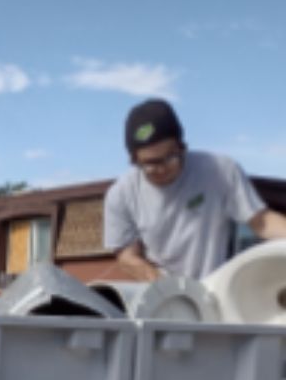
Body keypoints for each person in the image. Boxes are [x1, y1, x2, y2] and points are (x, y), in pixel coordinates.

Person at [103, 98, 286, 280]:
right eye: (150, 164)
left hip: (217, 285)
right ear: (134, 160)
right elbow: (127, 257)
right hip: (164, 292)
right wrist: (164, 286)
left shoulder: (220, 170)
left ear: (182, 147)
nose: (162, 169)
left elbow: (262, 222)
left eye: (170, 157)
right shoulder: (121, 195)